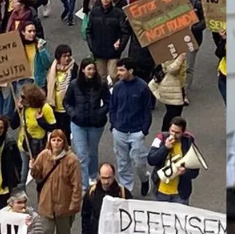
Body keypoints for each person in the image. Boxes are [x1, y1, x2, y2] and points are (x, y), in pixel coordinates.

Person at [30, 130, 81, 234]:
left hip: (64, 205)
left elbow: (76, 185)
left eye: (59, 140)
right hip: (47, 203)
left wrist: (74, 204)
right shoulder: (44, 155)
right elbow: (36, 175)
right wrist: (34, 167)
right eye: (54, 140)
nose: (56, 143)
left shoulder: (72, 160)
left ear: (64, 142)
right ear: (50, 142)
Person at [109, 58, 154, 195]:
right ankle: (126, 191)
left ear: (131, 71)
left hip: (136, 132)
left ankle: (144, 179)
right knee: (122, 163)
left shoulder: (142, 87)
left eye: (122, 70)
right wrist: (114, 126)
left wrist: (143, 130)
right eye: (118, 70)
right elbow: (113, 107)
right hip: (120, 131)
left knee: (139, 161)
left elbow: (147, 110)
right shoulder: (117, 87)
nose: (119, 73)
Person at [66, 57, 111, 187]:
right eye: (89, 69)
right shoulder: (74, 84)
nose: (91, 71)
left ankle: (92, 175)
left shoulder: (101, 84)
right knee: (82, 154)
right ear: (83, 70)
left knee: (92, 152)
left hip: (95, 125)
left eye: (93, 69)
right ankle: (84, 185)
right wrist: (73, 114)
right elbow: (67, 102)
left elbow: (108, 102)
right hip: (78, 123)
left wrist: (100, 112)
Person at [146, 117, 201, 205]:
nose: (173, 135)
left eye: (177, 132)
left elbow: (195, 171)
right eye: (172, 131)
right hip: (161, 191)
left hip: (180, 193)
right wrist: (165, 148)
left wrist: (185, 172)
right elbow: (151, 160)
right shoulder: (161, 139)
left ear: (183, 132)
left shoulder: (188, 143)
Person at [87, 0, 129, 79]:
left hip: (113, 52)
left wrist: (120, 47)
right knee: (101, 77)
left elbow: (125, 32)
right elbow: (89, 31)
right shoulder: (94, 12)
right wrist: (92, 47)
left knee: (113, 76)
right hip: (98, 51)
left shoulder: (118, 13)